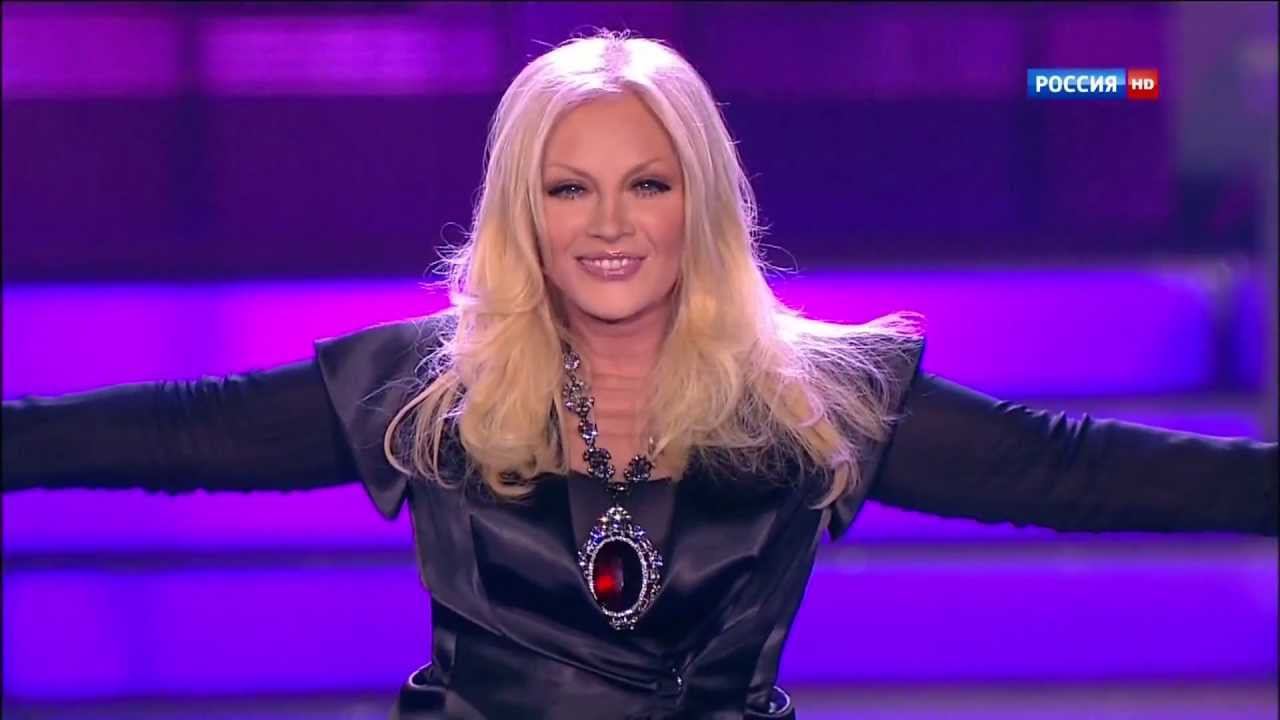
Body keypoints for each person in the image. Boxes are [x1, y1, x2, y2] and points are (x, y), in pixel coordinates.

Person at [3, 30, 1276, 720]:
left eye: (646, 184)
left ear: (697, 201)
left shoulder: (817, 397)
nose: (609, 224)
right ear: (525, 211)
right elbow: (177, 433)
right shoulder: (425, 391)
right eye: (570, 189)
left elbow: (1069, 470)